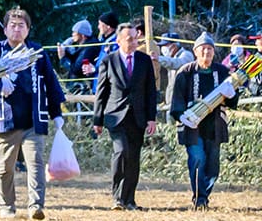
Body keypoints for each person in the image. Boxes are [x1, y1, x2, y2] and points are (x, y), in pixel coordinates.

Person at [0, 8, 67, 220]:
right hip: (5, 118)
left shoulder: (37, 52)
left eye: (21, 25)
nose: (16, 29)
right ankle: (7, 206)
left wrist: (56, 112)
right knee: (5, 167)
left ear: (28, 29)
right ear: (4, 29)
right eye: (12, 25)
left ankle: (36, 205)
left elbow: (50, 82)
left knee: (36, 162)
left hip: (33, 118)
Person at [92, 22, 160, 210]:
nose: (133, 42)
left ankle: (129, 199)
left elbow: (150, 91)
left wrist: (151, 118)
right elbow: (102, 92)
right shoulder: (109, 60)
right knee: (121, 151)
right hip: (115, 116)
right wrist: (97, 120)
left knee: (134, 158)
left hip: (138, 117)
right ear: (119, 40)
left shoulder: (144, 60)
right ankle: (117, 197)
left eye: (135, 39)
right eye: (129, 39)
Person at [170, 33, 232, 209]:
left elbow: (232, 101)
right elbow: (177, 100)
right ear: (195, 52)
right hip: (193, 125)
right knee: (197, 159)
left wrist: (231, 93)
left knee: (213, 165)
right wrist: (182, 116)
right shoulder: (186, 72)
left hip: (214, 125)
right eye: (203, 49)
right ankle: (200, 198)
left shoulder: (222, 72)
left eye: (210, 49)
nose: (206, 52)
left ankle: (205, 193)